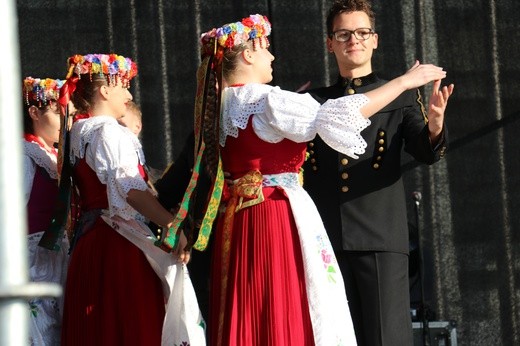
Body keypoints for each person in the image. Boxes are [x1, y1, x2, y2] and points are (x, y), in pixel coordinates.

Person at [155, 13, 447, 346]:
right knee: (281, 310)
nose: (273, 56)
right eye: (265, 48)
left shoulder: (219, 107)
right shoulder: (266, 101)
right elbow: (340, 114)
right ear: (248, 54)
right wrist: (403, 82)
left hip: (237, 222)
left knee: (253, 309)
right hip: (273, 218)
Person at [302, 1, 455, 345]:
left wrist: (435, 125)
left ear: (375, 40)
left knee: (387, 337)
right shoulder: (314, 100)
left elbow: (424, 149)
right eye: (343, 34)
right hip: (324, 239)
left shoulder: (399, 94)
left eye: (361, 32)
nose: (352, 40)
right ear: (330, 43)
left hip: (380, 239)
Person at [57, 53, 205, 345]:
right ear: (104, 89)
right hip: (119, 246)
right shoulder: (109, 131)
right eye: (123, 85)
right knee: (131, 325)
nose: (128, 94)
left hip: (90, 245)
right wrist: (172, 225)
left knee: (100, 328)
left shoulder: (77, 133)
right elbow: (131, 191)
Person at [22, 76, 69, 346]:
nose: (64, 119)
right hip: (32, 261)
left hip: (58, 259)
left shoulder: (55, 156)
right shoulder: (23, 155)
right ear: (34, 112)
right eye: (56, 112)